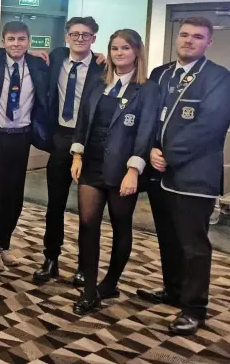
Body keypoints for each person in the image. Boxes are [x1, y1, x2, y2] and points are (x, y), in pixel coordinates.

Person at [137, 16, 230, 336]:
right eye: (185, 35)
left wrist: (169, 156)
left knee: (194, 245)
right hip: (160, 173)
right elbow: (148, 116)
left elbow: (210, 127)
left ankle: (194, 308)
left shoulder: (219, 78)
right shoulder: (161, 74)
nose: (189, 40)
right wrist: (150, 150)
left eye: (198, 37)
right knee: (168, 238)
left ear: (208, 42)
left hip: (194, 175)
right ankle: (173, 289)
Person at [70, 29, 159, 315]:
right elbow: (83, 121)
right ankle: (89, 291)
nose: (119, 53)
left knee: (121, 225)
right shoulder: (98, 83)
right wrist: (77, 153)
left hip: (123, 169)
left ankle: (110, 283)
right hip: (92, 165)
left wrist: (134, 170)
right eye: (115, 48)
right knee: (87, 224)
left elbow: (146, 133)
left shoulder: (147, 88)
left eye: (125, 49)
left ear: (137, 52)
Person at [0, 21, 50, 272]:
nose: (16, 44)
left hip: (21, 138)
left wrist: (97, 55)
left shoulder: (38, 65)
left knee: (14, 195)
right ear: (3, 41)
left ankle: (4, 243)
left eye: (21, 39)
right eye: (11, 39)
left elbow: (66, 57)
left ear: (29, 41)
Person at [33, 16, 103, 286]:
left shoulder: (101, 68)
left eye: (86, 35)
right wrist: (30, 51)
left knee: (89, 210)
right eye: (75, 34)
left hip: (90, 142)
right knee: (55, 205)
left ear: (94, 38)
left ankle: (85, 267)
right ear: (66, 37)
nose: (80, 38)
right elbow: (14, 52)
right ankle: (50, 259)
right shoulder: (57, 58)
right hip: (62, 137)